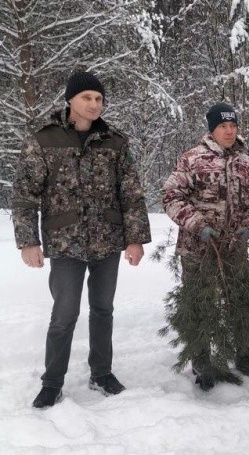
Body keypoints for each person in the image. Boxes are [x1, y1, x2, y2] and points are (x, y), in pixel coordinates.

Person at [12, 71, 151, 409]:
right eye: (87, 97)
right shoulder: (43, 141)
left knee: (103, 310)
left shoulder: (116, 142)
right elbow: (25, 194)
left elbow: (131, 194)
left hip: (107, 240)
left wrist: (135, 239)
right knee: (64, 314)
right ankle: (52, 382)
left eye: (99, 98)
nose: (94, 104)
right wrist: (28, 241)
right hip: (65, 243)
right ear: (70, 100)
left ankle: (101, 373)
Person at [162, 102, 249, 391]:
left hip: (233, 248)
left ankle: (246, 357)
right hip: (198, 249)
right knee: (200, 305)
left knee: (243, 301)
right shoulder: (192, 159)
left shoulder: (245, 162)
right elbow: (171, 197)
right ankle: (202, 363)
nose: (229, 131)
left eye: (233, 125)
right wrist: (198, 225)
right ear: (212, 129)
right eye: (223, 126)